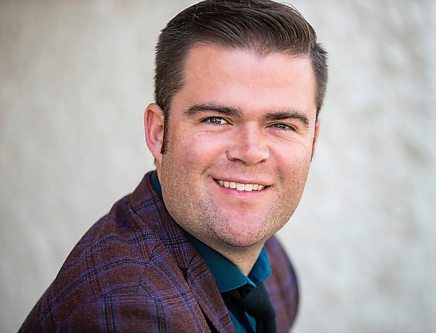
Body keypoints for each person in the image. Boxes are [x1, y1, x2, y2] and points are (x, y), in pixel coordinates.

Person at [20, 0, 328, 332]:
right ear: (158, 132)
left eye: (281, 125)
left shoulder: (272, 264)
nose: (250, 152)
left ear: (312, 141)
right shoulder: (129, 309)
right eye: (216, 119)